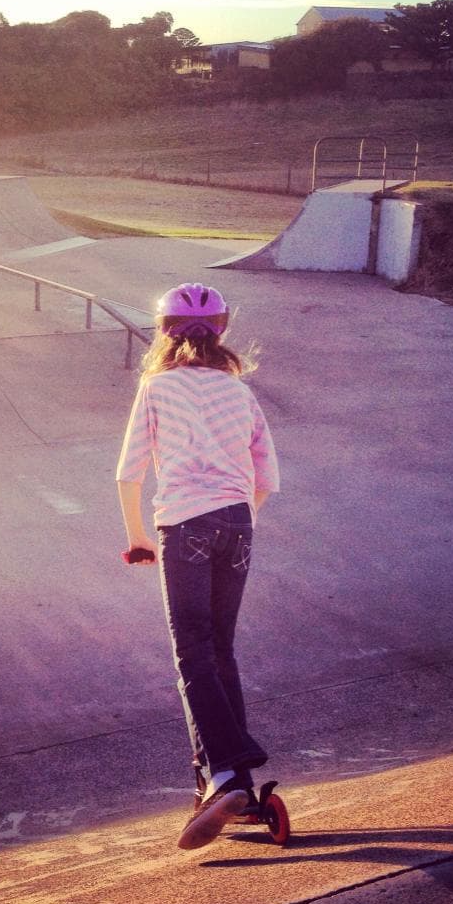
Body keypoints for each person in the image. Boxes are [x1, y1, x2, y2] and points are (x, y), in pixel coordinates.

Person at [115, 282, 280, 850]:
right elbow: (268, 480)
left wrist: (139, 536)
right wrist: (239, 520)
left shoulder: (156, 388)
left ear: (163, 333)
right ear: (224, 331)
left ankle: (228, 773)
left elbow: (128, 471)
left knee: (191, 651)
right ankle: (238, 786)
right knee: (220, 650)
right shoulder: (240, 394)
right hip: (237, 524)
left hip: (184, 524)